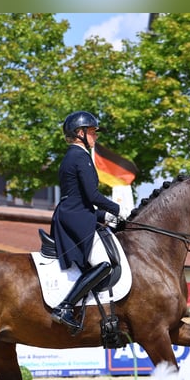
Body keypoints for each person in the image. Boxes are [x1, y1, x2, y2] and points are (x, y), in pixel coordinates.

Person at [50, 111, 122, 333]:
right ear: (79, 133)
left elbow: (80, 197)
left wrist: (104, 216)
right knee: (104, 263)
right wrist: (117, 209)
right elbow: (91, 196)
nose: (96, 136)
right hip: (75, 217)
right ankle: (65, 307)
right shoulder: (80, 156)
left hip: (75, 213)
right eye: (92, 132)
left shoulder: (73, 156)